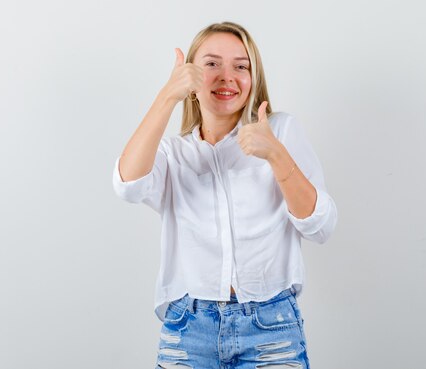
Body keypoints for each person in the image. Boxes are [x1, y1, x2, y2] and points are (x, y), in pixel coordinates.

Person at [112, 21, 337, 369]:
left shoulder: (281, 131)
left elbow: (320, 226)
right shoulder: (174, 154)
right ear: (190, 78)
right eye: (212, 64)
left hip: (270, 328)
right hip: (188, 329)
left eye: (241, 66)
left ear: (253, 78)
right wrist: (166, 97)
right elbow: (127, 184)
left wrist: (276, 155)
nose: (226, 76)